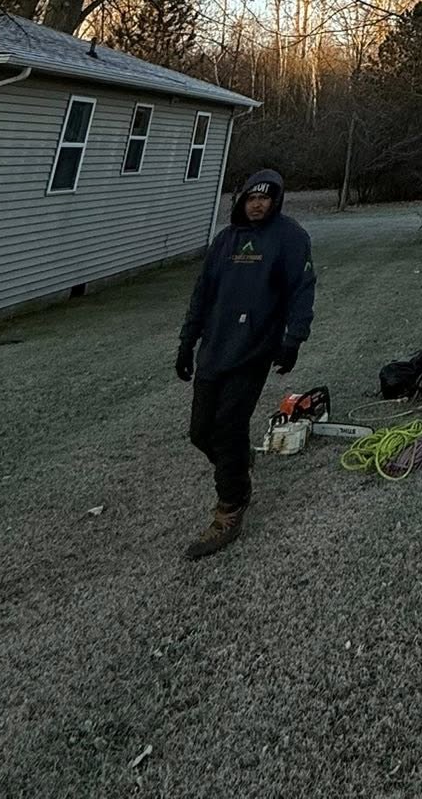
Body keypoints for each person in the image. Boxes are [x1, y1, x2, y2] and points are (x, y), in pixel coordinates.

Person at [175, 168, 315, 561]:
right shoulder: (225, 241)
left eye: (265, 198)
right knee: (201, 432)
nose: (257, 205)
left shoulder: (289, 237)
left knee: (228, 425)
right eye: (251, 198)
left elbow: (302, 290)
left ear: (276, 201)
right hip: (214, 348)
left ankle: (230, 508)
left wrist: (293, 339)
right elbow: (202, 293)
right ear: (241, 200)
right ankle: (238, 463)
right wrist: (187, 341)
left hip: (254, 349)